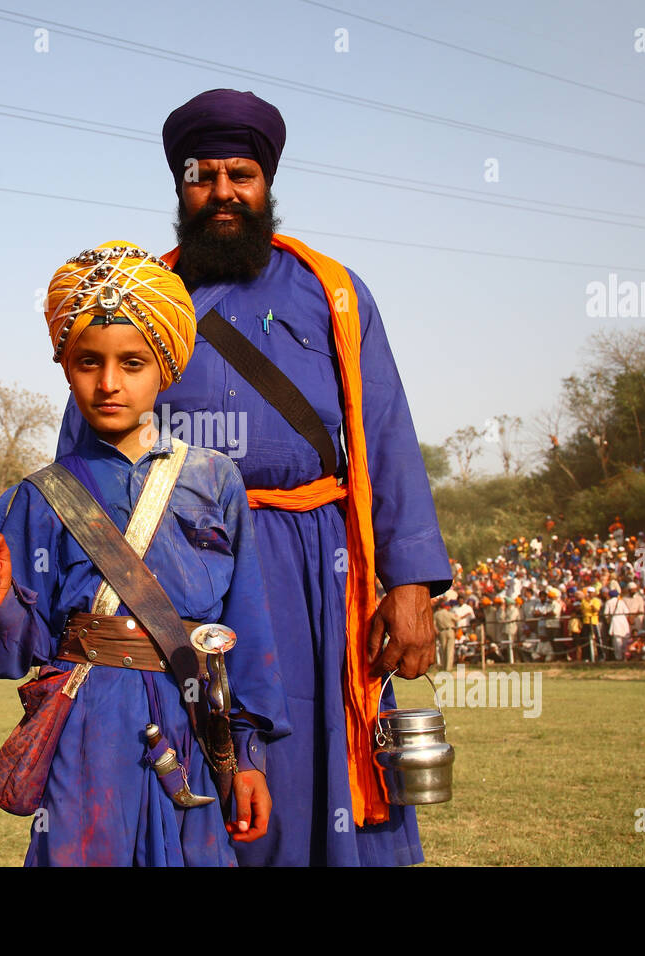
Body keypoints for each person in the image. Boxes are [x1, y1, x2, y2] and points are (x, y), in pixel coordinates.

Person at [54, 89, 451, 866]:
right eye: (204, 176)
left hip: (313, 570)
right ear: (180, 187)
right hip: (177, 575)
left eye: (242, 175)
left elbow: (389, 435)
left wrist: (410, 586)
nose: (224, 192)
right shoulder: (133, 297)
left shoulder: (332, 291)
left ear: (267, 184)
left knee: (312, 767)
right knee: (189, 769)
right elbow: (82, 469)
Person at [0, 242, 289, 866]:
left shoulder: (215, 481)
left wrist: (246, 757)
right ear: (66, 366)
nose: (109, 383)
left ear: (166, 368)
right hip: (88, 728)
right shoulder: (38, 498)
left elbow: (250, 627)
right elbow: (18, 647)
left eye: (132, 362)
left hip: (192, 724)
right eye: (88, 362)